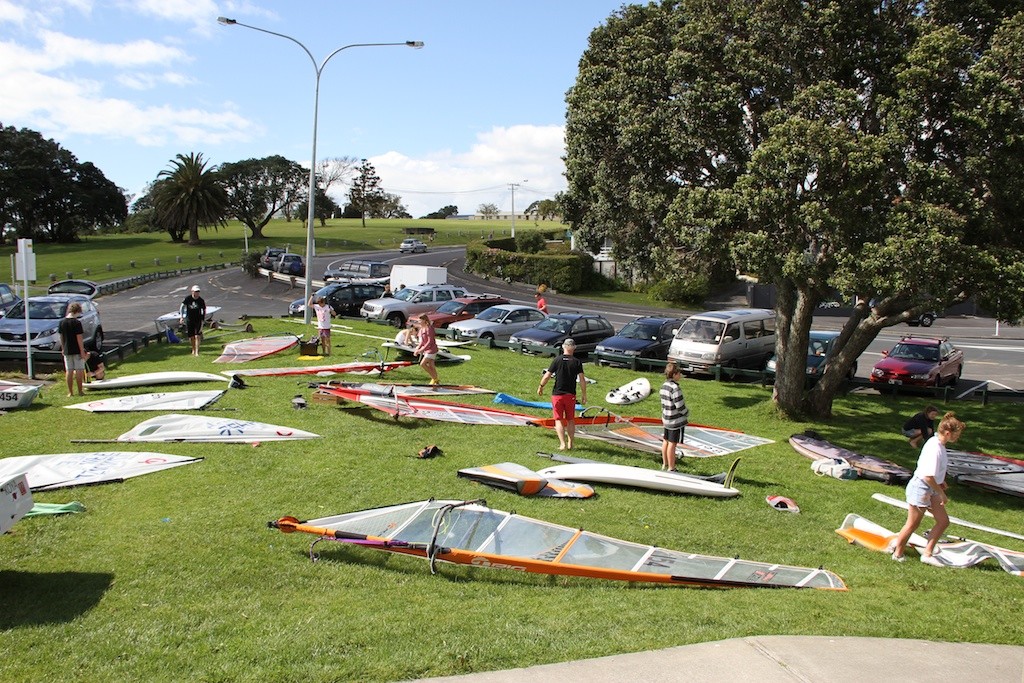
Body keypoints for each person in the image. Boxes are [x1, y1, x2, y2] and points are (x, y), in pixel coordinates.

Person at [890, 412, 966, 565]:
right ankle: (897, 553)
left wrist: (941, 481)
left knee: (943, 521)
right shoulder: (935, 448)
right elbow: (927, 477)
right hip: (921, 487)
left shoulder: (939, 444)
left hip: (931, 487)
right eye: (957, 434)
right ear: (947, 432)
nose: (958, 437)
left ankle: (927, 553)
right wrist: (941, 493)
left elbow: (935, 472)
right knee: (913, 524)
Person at [537, 338, 587, 450]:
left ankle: (562, 444)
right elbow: (582, 380)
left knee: (558, 420)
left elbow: (547, 376)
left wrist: (541, 386)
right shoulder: (577, 362)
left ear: (563, 347)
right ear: (574, 348)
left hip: (557, 394)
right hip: (571, 395)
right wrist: (584, 394)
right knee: (570, 420)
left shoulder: (557, 360)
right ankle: (570, 443)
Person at [659, 362, 689, 471]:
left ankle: (665, 464)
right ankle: (671, 467)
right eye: (679, 373)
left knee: (665, 441)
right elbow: (679, 406)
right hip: (674, 420)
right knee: (672, 443)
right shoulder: (675, 388)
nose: (680, 375)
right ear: (674, 374)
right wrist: (686, 412)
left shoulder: (664, 386)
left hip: (666, 418)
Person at [58, 302, 89, 397]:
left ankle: (70, 392)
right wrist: (82, 351)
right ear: (77, 311)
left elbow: (61, 337)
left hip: (67, 349)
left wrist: (63, 348)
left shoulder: (62, 322)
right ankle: (80, 391)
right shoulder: (77, 323)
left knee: (69, 370)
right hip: (76, 350)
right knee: (79, 370)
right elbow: (79, 338)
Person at [179, 285, 207, 356]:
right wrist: (182, 317)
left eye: (198, 292)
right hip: (190, 319)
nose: (197, 293)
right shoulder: (188, 299)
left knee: (197, 336)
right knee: (191, 336)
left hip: (198, 319)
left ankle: (197, 351)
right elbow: (182, 307)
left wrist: (203, 319)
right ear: (192, 291)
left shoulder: (201, 300)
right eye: (196, 291)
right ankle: (193, 349)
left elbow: (203, 310)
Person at [413, 313, 440, 385]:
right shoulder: (421, 329)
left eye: (420, 320)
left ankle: (434, 378)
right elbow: (421, 341)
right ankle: (436, 380)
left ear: (424, 320)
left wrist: (422, 349)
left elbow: (430, 341)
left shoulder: (429, 328)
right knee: (431, 365)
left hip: (431, 349)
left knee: (422, 364)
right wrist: (417, 349)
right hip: (427, 350)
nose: (418, 321)